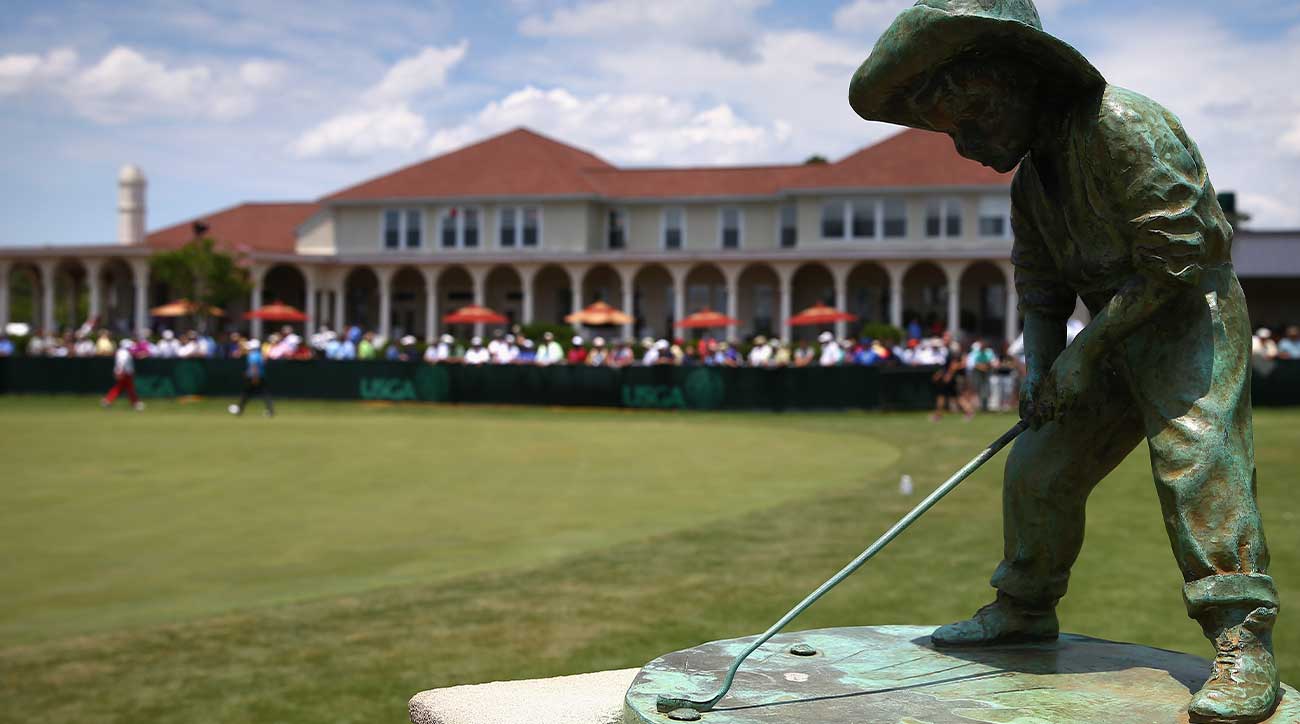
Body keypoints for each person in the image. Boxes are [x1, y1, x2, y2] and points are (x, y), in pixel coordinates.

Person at [851, 2, 1279, 720]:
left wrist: (1085, 354)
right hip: (1108, 326)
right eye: (953, 131)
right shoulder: (1030, 183)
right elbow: (1042, 291)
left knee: (1198, 460)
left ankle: (1243, 637)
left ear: (1022, 79)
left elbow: (1176, 260)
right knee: (1039, 465)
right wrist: (1040, 372)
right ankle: (1024, 607)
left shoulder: (1122, 124)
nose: (966, 145)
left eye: (974, 119)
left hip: (1186, 316)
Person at [229, 338, 273, 417]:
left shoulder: (253, 355)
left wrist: (254, 377)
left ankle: (240, 409)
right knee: (264, 394)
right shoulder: (260, 355)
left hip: (254, 377)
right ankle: (270, 410)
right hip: (260, 376)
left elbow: (254, 367)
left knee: (247, 394)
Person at [101, 339, 144, 411]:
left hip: (124, 372)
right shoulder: (124, 353)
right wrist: (120, 372)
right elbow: (121, 362)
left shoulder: (122, 352)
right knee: (129, 388)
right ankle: (136, 403)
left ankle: (107, 400)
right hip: (125, 373)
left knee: (120, 388)